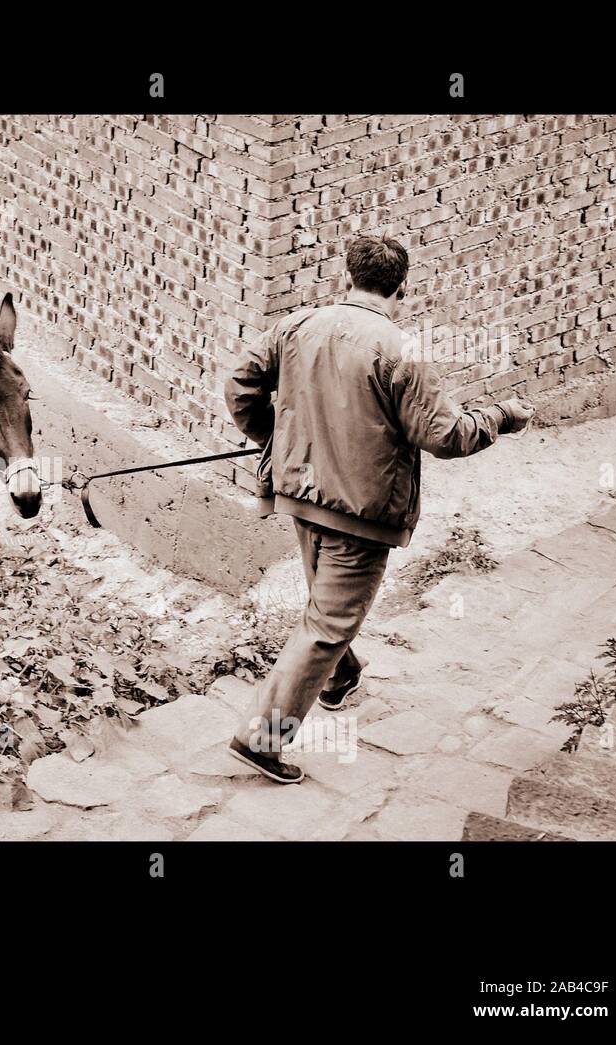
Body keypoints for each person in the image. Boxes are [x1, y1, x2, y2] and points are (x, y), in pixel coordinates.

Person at [224, 234, 534, 783]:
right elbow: (444, 435)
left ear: (347, 279)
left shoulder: (296, 326)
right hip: (360, 512)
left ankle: (341, 680)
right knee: (329, 620)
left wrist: (277, 438)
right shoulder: (400, 350)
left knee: (326, 606)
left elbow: (240, 386)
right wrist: (502, 416)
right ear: (403, 289)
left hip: (300, 494)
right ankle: (261, 741)